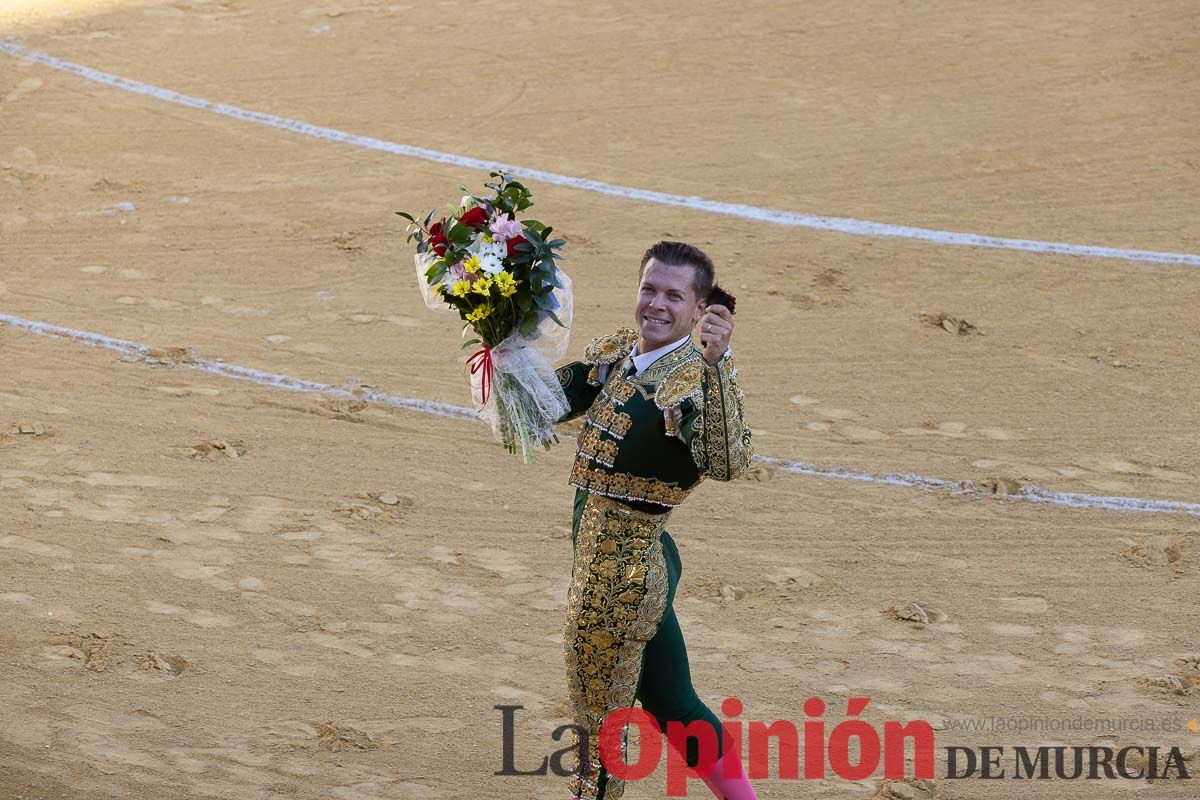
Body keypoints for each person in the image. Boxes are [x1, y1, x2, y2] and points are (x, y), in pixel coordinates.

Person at [554, 241, 756, 800]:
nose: (657, 304)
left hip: (622, 575)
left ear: (699, 310)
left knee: (599, 716)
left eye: (674, 295)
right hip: (630, 561)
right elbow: (542, 403)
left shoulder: (691, 380)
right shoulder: (619, 355)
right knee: (671, 700)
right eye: (649, 289)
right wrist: (505, 337)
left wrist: (718, 366)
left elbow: (727, 460)